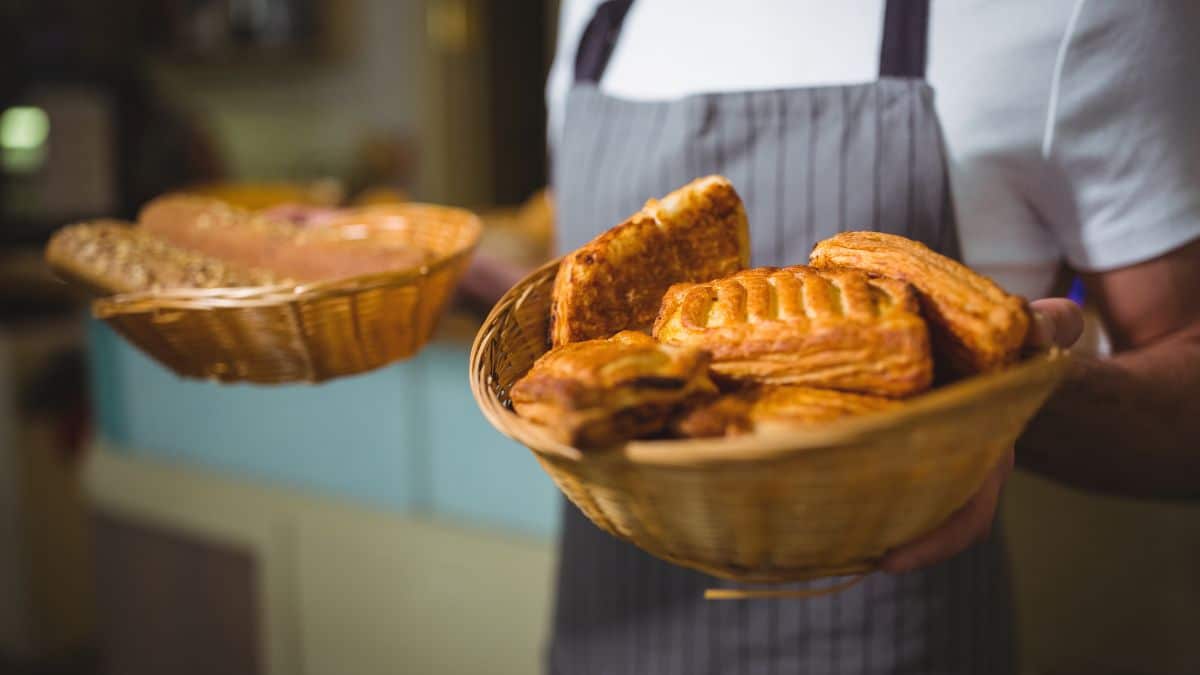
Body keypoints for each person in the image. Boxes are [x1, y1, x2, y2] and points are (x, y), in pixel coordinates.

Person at [462, 1, 1200, 672]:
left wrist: (1007, 402)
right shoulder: (595, 14)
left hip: (892, 638)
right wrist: (467, 281)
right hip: (611, 634)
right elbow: (585, 329)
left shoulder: (1081, 12)